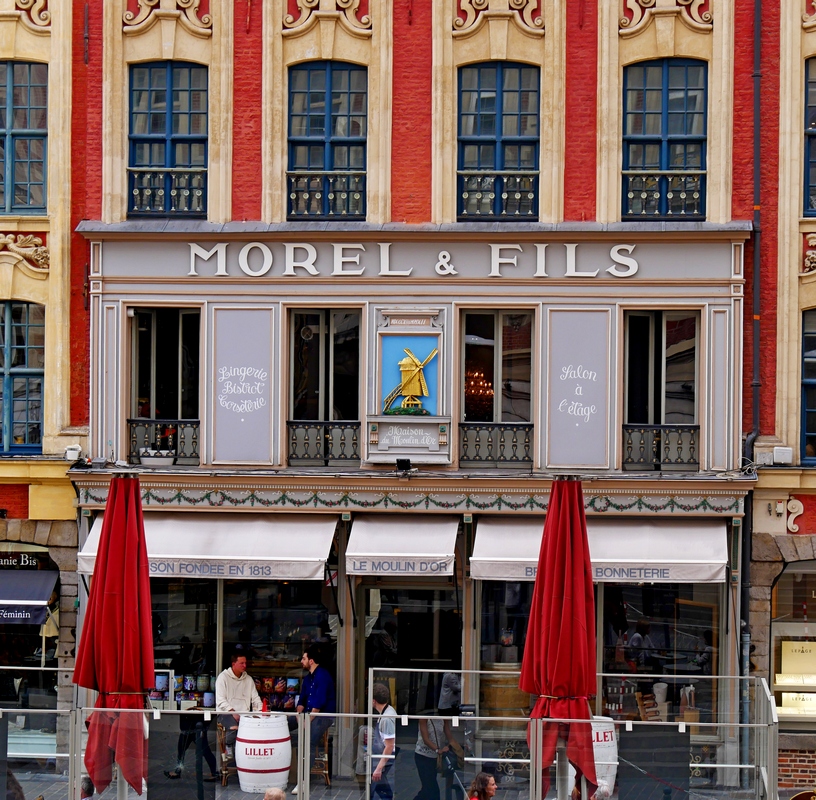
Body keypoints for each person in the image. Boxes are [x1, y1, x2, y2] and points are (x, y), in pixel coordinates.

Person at [291, 644, 336, 795]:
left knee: (308, 740)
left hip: (323, 715)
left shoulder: (322, 675)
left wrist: (306, 722)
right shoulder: (307, 678)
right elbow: (302, 701)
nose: (301, 661)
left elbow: (318, 704)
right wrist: (299, 715)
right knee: (282, 723)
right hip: (308, 715)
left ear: (311, 661)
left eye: (303, 658)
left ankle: (303, 781)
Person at [215, 652, 262, 751]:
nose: (245, 666)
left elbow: (255, 698)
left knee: (258, 728)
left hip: (244, 714)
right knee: (233, 727)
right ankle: (228, 748)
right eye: (242, 663)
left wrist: (261, 711)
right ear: (233, 664)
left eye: (245, 663)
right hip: (225, 713)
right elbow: (220, 700)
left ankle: (243, 754)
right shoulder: (222, 677)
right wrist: (233, 712)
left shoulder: (248, 679)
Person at [163, 710, 218, 782]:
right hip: (191, 725)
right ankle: (178, 771)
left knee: (205, 750)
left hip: (195, 725)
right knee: (182, 750)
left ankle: (214, 773)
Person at [413, 712, 455, 800]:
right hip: (423, 755)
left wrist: (452, 746)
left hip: (435, 758)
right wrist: (438, 750)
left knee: (428, 787)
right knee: (431, 788)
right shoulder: (424, 718)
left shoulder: (443, 717)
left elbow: (449, 735)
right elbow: (425, 739)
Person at [371, 683, 397, 800]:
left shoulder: (386, 718)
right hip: (380, 757)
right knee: (381, 790)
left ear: (373, 701)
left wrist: (378, 768)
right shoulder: (387, 711)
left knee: (377, 788)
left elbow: (389, 745)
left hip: (385, 759)